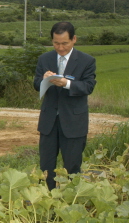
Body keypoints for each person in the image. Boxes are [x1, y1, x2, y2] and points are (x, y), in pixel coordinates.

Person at [34, 21, 96, 190]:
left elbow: (88, 86)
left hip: (74, 122)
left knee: (72, 166)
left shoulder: (86, 61)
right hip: (49, 121)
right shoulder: (44, 59)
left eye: (64, 43)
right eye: (56, 43)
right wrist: (44, 79)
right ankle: (47, 200)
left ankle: (71, 200)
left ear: (74, 39)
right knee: (46, 166)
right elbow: (36, 84)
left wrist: (66, 83)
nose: (60, 48)